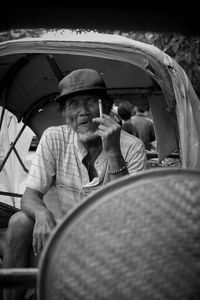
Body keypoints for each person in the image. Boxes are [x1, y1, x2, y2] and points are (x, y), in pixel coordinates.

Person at [2, 69, 146, 300]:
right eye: (72, 104)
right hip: (67, 230)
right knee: (19, 221)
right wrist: (41, 214)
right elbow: (29, 196)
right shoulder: (54, 137)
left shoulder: (132, 147)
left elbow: (129, 213)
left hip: (112, 235)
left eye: (90, 101)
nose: (82, 112)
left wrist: (113, 152)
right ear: (65, 113)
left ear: (106, 106)